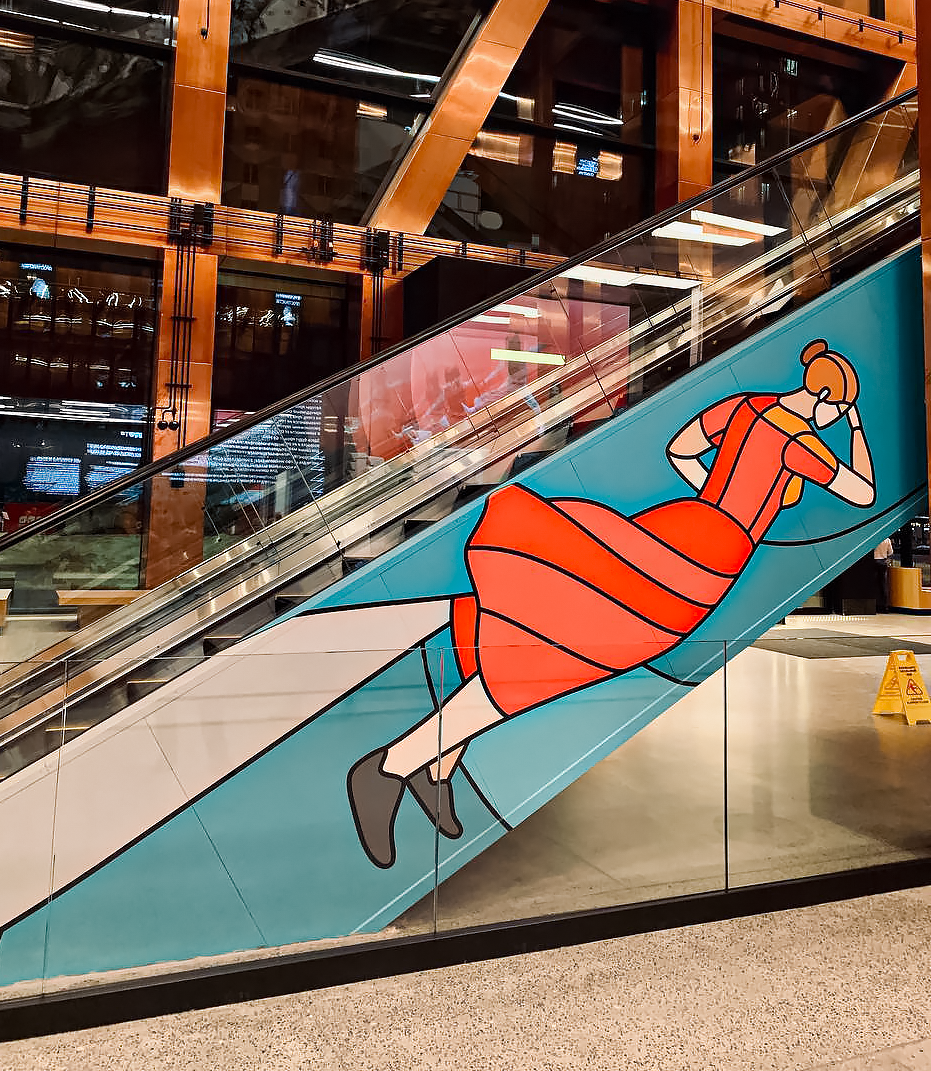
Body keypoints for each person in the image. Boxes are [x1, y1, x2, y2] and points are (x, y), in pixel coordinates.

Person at [347, 339, 876, 869]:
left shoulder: (745, 405)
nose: (834, 419)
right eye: (838, 410)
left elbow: (682, 450)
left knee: (553, 627)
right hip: (708, 560)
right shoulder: (802, 442)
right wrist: (853, 429)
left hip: (681, 522)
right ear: (828, 400)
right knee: (568, 651)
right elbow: (863, 492)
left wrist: (713, 502)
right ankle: (391, 765)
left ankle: (437, 766)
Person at [873, 536, 894, 612]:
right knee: (883, 583)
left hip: (874, 561)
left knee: (873, 583)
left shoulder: (874, 539)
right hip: (883, 562)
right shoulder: (887, 540)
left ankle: (874, 605)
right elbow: (891, 552)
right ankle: (884, 606)